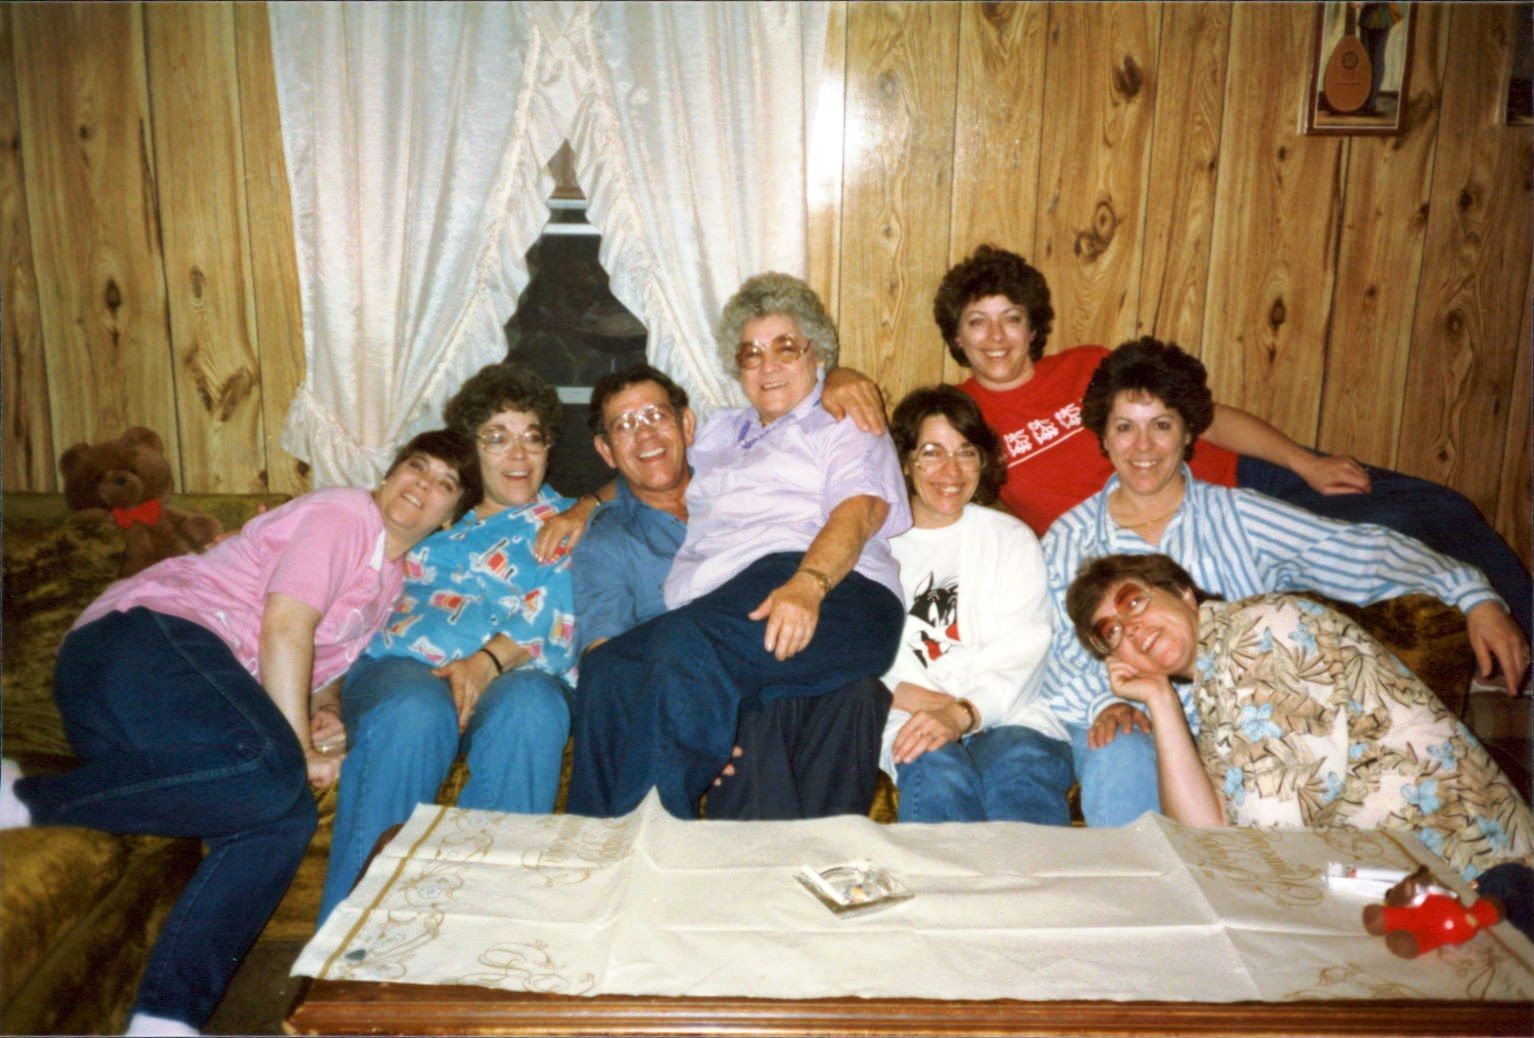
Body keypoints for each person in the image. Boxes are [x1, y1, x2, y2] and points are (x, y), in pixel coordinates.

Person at [0, 430, 474, 1036]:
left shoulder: (390, 579)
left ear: (450, 515)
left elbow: (320, 665)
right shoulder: (346, 514)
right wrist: (298, 746)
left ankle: (166, 1020)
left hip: (158, 716)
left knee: (284, 815)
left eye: (443, 483)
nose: (422, 485)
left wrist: (326, 710)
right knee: (271, 768)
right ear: (388, 475)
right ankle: (23, 797)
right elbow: (284, 627)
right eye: (415, 466)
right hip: (139, 642)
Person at [938, 244, 1532, 650]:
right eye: (977, 322)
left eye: (1010, 318)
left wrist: (1304, 461)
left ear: (1033, 326)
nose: (996, 336)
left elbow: (1205, 418)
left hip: (1243, 481)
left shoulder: (1088, 364)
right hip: (1155, 533)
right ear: (957, 337)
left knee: (1445, 509)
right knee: (1398, 524)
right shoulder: (962, 417)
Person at [1041, 337, 1529, 828]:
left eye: (1161, 425)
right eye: (1125, 427)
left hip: (1248, 727)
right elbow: (1055, 657)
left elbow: (1361, 551)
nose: (1143, 446)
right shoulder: (1068, 538)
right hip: (1137, 721)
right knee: (1119, 752)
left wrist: (1474, 596)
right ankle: (1132, 877)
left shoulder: (1240, 515)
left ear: (1188, 433)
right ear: (1103, 438)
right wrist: (1109, 702)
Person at [565, 273, 910, 819]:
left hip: (838, 591)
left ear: (816, 353)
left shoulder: (842, 420)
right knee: (610, 669)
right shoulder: (723, 431)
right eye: (751, 353)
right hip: (735, 602)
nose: (767, 366)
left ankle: (652, 830)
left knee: (682, 644)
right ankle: (590, 838)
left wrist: (808, 584)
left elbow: (860, 510)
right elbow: (653, 461)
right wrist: (586, 503)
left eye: (785, 348)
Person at [1065, 552, 1534, 941]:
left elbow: (1272, 835)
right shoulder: (1215, 685)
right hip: (1411, 894)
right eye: (1112, 633)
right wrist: (1160, 699)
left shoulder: (1261, 631)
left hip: (1485, 886)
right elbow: (1205, 835)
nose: (1130, 628)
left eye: (1133, 601)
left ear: (1183, 593)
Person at [318, 364, 579, 923]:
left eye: (533, 437)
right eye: (496, 437)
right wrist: (327, 699)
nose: (518, 454)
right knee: (413, 712)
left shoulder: (568, 520)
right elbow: (340, 588)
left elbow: (564, 608)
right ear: (471, 448)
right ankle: (355, 937)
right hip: (403, 666)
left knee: (534, 709)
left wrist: (485, 664)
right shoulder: (432, 508)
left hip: (518, 673)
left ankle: (484, 930)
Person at [879, 386, 1071, 823]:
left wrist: (962, 713)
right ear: (905, 462)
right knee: (938, 772)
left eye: (965, 452)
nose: (950, 470)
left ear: (982, 462)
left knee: (1019, 773)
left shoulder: (1010, 538)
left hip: (1011, 716)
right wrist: (906, 697)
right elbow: (852, 658)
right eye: (931, 452)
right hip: (909, 716)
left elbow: (1023, 654)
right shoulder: (876, 544)